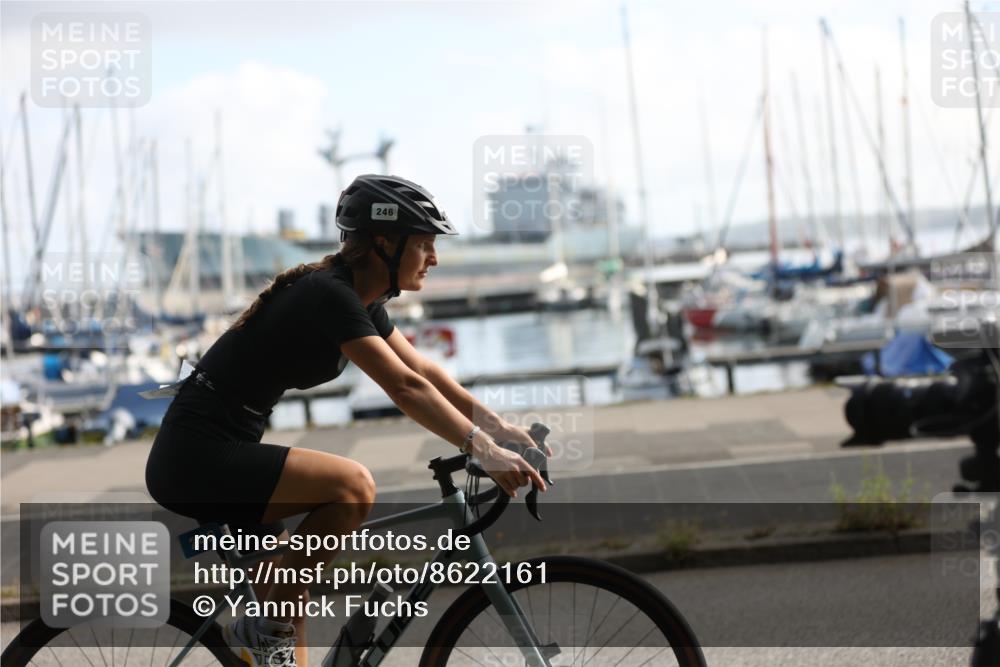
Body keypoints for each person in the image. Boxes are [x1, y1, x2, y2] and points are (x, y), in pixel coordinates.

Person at [145, 174, 549, 667]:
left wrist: (501, 429)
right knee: (352, 487)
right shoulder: (327, 295)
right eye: (424, 244)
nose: (434, 257)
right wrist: (481, 448)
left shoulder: (362, 301)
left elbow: (422, 370)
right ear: (384, 242)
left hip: (222, 448)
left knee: (291, 592)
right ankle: (257, 627)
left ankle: (271, 639)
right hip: (196, 457)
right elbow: (404, 389)